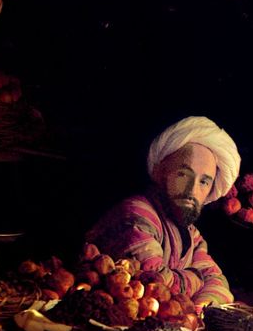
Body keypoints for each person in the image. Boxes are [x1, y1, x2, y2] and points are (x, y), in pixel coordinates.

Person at [86, 116, 239, 307]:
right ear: (160, 171)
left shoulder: (193, 235)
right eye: (183, 174)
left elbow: (219, 283)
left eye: (203, 181)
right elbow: (154, 283)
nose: (192, 190)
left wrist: (200, 307)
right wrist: (197, 279)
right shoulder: (136, 213)